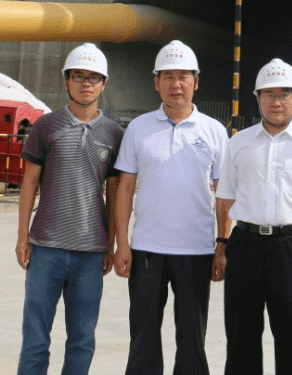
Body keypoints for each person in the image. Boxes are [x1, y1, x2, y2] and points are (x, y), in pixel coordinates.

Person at [114, 40, 228, 375]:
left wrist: (222, 245)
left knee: (192, 338)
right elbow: (124, 189)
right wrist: (123, 243)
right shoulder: (139, 129)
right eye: (168, 76)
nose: (175, 84)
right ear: (155, 82)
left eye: (183, 76)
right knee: (143, 335)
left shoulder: (214, 132)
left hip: (196, 249)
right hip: (147, 248)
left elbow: (225, 196)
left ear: (196, 81)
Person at [214, 59, 292, 375]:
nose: (276, 102)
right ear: (258, 98)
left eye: (284, 94)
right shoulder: (238, 143)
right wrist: (222, 246)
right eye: (268, 94)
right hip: (245, 246)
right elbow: (225, 199)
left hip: (291, 251)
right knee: (241, 338)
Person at [15, 43, 124, 375]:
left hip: (90, 255)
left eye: (94, 78)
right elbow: (29, 183)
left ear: (104, 84)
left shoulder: (114, 134)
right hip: (46, 248)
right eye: (78, 76)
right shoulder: (46, 127)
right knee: (35, 338)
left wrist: (111, 243)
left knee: (81, 339)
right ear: (67, 81)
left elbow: (115, 192)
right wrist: (23, 237)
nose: (86, 84)